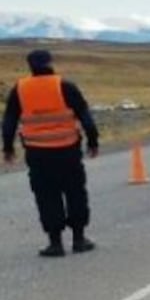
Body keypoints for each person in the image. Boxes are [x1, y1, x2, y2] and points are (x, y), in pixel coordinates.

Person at [2, 49, 99, 257]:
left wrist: (8, 148)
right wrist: (93, 141)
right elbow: (85, 117)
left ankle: (55, 244)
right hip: (68, 151)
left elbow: (9, 121)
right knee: (75, 193)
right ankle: (79, 239)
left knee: (46, 196)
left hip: (38, 154)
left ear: (30, 66)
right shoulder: (65, 86)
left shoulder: (20, 89)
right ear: (50, 63)